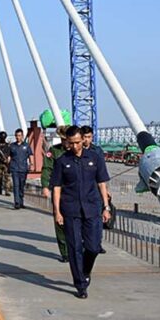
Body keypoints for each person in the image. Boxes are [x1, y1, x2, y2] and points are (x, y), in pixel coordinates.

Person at [51, 126, 111, 299]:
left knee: (93, 247)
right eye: (71, 143)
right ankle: (80, 284)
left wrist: (106, 207)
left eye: (77, 142)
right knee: (75, 247)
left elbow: (101, 183)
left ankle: (86, 270)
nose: (75, 146)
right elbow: (56, 187)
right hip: (70, 210)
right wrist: (57, 212)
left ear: (83, 140)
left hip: (92, 208)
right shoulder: (62, 161)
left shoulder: (94, 158)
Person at [41, 126, 71, 263]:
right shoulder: (54, 151)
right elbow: (47, 168)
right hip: (60, 190)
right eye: (63, 140)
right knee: (60, 221)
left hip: (76, 190)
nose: (66, 143)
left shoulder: (79, 151)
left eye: (67, 140)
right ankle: (65, 252)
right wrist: (45, 186)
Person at [81, 125, 109, 255]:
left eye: (89, 137)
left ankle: (97, 244)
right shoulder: (77, 151)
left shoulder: (97, 151)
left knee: (97, 219)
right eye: (85, 137)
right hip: (82, 189)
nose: (87, 139)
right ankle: (85, 242)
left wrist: (105, 191)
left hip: (96, 189)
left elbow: (102, 173)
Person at [9, 128, 34, 210]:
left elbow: (30, 155)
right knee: (16, 185)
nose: (18, 137)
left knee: (21, 186)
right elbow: (9, 156)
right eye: (16, 135)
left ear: (22, 136)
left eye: (19, 135)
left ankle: (21, 202)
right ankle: (16, 202)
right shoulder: (12, 146)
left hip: (23, 169)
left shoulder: (26, 146)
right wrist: (8, 165)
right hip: (14, 169)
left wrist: (32, 164)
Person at [0, 132, 12, 196]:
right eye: (1, 137)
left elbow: (10, 154)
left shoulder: (8, 145)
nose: (2, 138)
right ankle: (0, 188)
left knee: (7, 177)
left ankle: (7, 190)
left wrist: (8, 159)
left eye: (4, 137)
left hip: (6, 164)